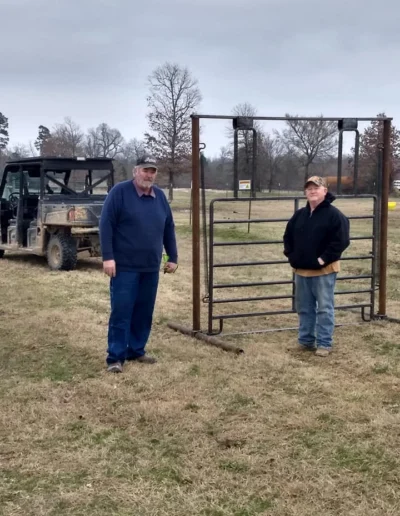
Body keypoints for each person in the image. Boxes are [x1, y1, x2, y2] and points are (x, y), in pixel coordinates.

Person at [99, 155, 178, 373]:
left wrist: (172, 257)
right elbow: (106, 225)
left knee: (144, 312)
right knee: (122, 312)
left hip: (150, 267)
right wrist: (108, 257)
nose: (149, 175)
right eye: (145, 170)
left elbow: (168, 227)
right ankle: (115, 357)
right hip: (124, 267)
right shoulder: (119, 193)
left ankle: (136, 349)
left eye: (152, 171)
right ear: (135, 171)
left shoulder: (159, 197)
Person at [283, 176, 350, 357]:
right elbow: (288, 236)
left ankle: (324, 343)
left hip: (324, 271)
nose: (312, 191)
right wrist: (291, 256)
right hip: (301, 270)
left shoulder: (335, 215)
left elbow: (341, 241)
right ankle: (305, 340)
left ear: (325, 191)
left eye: (316, 187)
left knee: (324, 308)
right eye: (309, 188)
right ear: (305, 192)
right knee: (304, 307)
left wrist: (323, 259)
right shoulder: (299, 215)